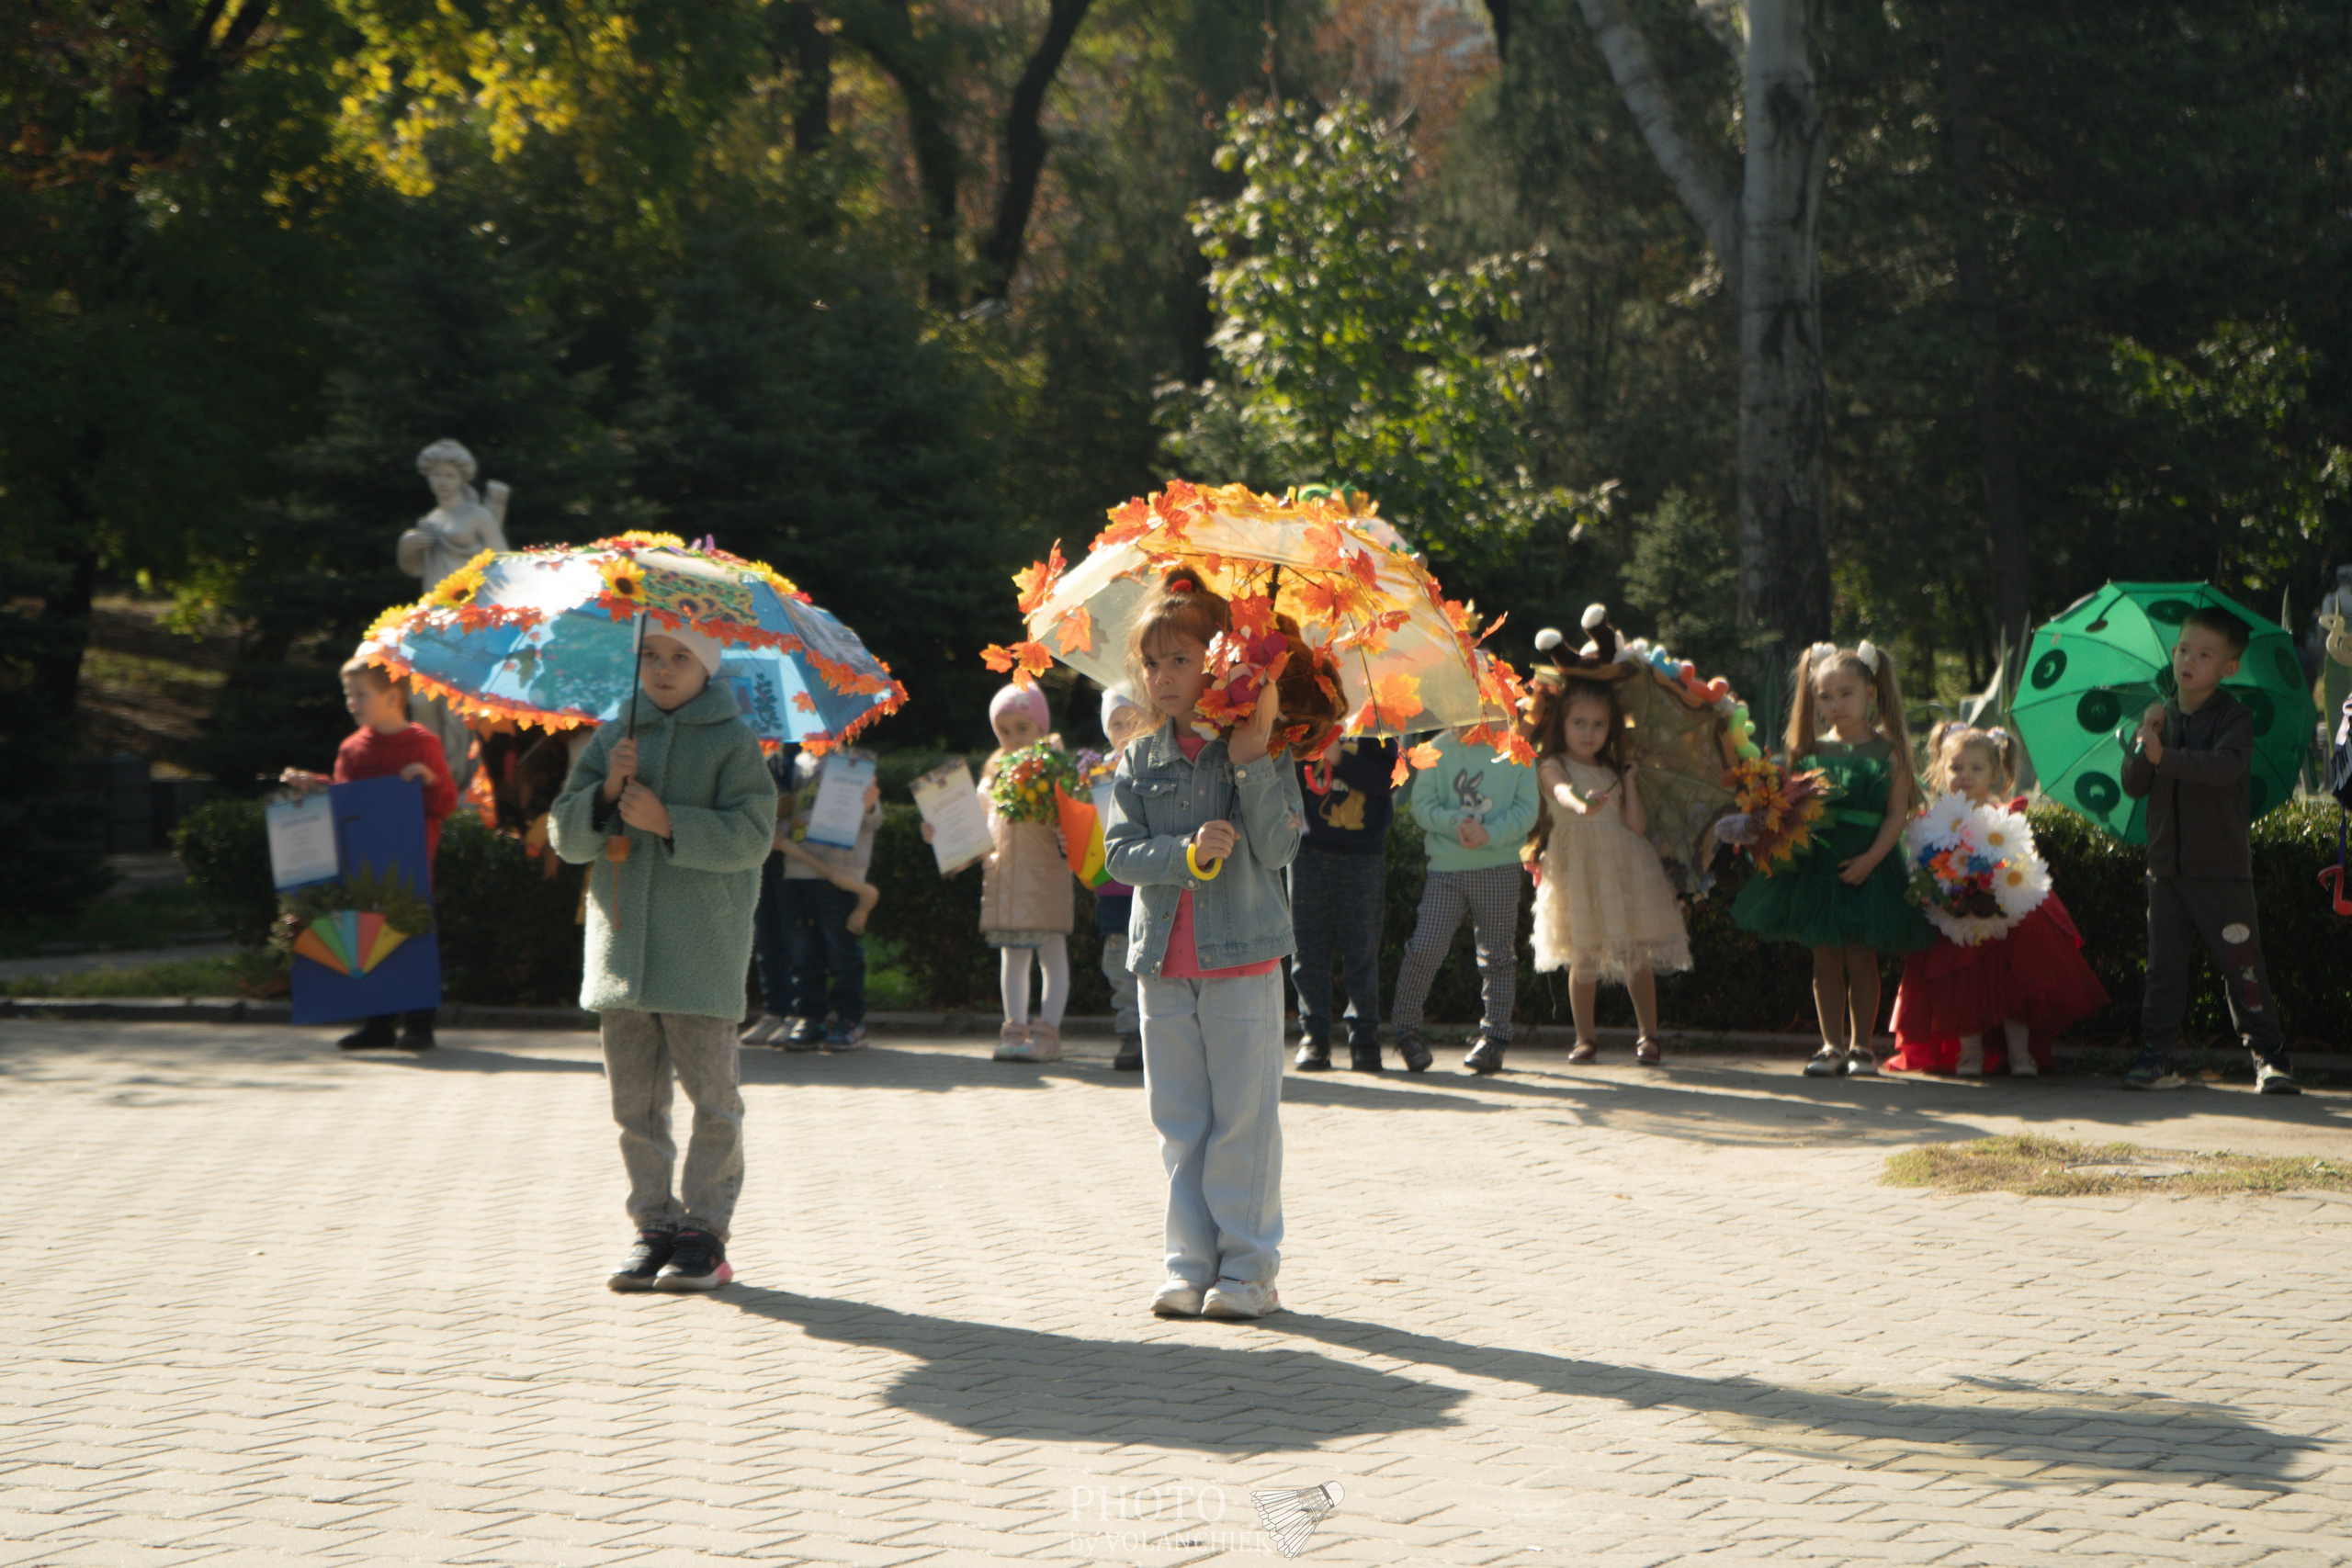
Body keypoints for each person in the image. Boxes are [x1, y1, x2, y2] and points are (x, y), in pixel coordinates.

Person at [1103, 569, 1320, 1321]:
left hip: (1244, 959)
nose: (1163, 677)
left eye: (1181, 660)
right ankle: (1187, 1266)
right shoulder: (1139, 757)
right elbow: (1118, 855)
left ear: (1220, 661)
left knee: (1245, 1120)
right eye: (1153, 662)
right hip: (1161, 965)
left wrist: (1255, 757)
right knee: (1181, 1123)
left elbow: (1281, 846)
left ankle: (1250, 1271)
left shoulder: (1259, 748)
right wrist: (1184, 855)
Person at [549, 625, 778, 1292]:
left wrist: (667, 820)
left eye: (681, 657)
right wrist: (602, 790)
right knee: (635, 1106)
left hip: (700, 951)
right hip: (621, 951)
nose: (663, 668)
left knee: (713, 1099)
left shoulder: (734, 742)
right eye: (651, 655)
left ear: (708, 667)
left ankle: (704, 1233)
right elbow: (566, 836)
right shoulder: (616, 732)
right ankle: (653, 1224)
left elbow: (754, 836)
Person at [1730, 642, 1932, 1077]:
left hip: (1870, 864)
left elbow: (1898, 812)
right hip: (1819, 866)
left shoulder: (1889, 752)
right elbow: (1789, 809)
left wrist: (1872, 859)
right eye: (1824, 696)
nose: (1834, 704)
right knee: (1825, 956)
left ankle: (1862, 1048)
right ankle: (1830, 1046)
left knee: (1861, 955)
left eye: (1846, 693)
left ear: (1870, 693)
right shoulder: (1808, 751)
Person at [2119, 606, 2299, 1094]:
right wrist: (2145, 740)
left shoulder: (2233, 718)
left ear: (2229, 668)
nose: (2188, 661)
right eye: (2183, 650)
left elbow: (2224, 769)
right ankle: (2158, 1053)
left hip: (2221, 872)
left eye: (2204, 654)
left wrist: (2167, 757)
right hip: (2166, 870)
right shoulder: (2161, 717)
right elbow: (2135, 785)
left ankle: (2268, 1054)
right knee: (2164, 969)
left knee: (2242, 964)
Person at [1886, 725, 2109, 1077]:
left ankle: (2020, 1054)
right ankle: (1969, 1053)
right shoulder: (1933, 821)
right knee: (1960, 985)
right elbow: (1922, 865)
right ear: (1942, 771)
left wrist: (1997, 892)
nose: (1965, 776)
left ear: (1995, 773)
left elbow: (2020, 860)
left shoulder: (2005, 817)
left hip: (2006, 911)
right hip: (1955, 914)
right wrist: (1937, 891)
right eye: (1956, 767)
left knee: (2014, 982)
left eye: (1976, 768)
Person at [278, 658, 458, 1052]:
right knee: (367, 935)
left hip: (409, 863)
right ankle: (378, 1024)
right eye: (349, 695)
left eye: (360, 695)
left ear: (393, 696)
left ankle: (419, 1025)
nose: (351, 703)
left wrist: (429, 780)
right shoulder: (352, 748)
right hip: (362, 863)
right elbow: (345, 798)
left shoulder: (422, 743)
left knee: (411, 938)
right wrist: (314, 784)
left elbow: (446, 803)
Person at [1527, 677, 1691, 1066]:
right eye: (1579, 722)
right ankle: (1585, 1037)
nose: (1589, 732)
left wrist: (1630, 781)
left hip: (1623, 868)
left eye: (1599, 724)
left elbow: (1635, 825)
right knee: (1583, 953)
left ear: (1611, 728)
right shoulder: (1554, 765)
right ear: (1561, 724)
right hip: (1578, 870)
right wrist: (1582, 805)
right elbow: (1561, 793)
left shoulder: (1612, 771)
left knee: (1635, 951)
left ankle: (1648, 1036)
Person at [1388, 726, 1539, 1076]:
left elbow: (1527, 811)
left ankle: (1495, 1040)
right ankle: (1406, 1031)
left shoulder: (1517, 751)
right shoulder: (1434, 750)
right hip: (1447, 869)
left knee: (1497, 956)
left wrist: (1490, 833)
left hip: (1498, 867)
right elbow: (1421, 806)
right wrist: (1455, 823)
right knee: (1424, 947)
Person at [1289, 731, 1398, 1073]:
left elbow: (1388, 780)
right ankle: (1314, 1037)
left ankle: (1364, 1037)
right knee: (1307, 949)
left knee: (1361, 950)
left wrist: (1340, 759)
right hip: (1308, 851)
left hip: (1362, 852)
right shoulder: (1307, 712)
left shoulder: (1379, 721)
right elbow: (1284, 772)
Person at [772, 747, 882, 1052]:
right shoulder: (796, 765)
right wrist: (778, 831)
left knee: (841, 952)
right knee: (802, 952)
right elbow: (791, 813)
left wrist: (871, 806)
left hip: (842, 870)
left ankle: (850, 1020)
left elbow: (874, 823)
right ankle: (810, 1017)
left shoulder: (856, 762)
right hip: (797, 870)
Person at [1097, 686, 1156, 1072]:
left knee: (1150, 965)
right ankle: (1130, 1037)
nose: (1124, 730)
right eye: (1116, 723)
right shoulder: (1097, 773)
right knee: (1119, 968)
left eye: (1132, 720)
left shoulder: (1155, 763)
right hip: (1113, 892)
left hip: (1148, 886)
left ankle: (1154, 1041)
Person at [741, 746, 803, 1047]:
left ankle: (796, 1013)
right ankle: (774, 1011)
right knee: (765, 938)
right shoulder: (749, 749)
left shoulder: (798, 756)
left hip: (793, 857)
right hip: (758, 857)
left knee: (795, 939)